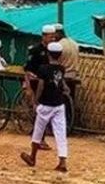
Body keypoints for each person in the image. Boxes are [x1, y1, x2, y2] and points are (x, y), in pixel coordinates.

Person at [21, 41, 69, 173]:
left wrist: (35, 101)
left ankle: (32, 157)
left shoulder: (43, 69)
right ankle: (62, 162)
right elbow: (63, 84)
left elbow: (41, 86)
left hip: (46, 104)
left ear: (48, 54)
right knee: (60, 133)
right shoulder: (61, 69)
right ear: (60, 55)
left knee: (38, 130)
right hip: (59, 105)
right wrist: (65, 89)